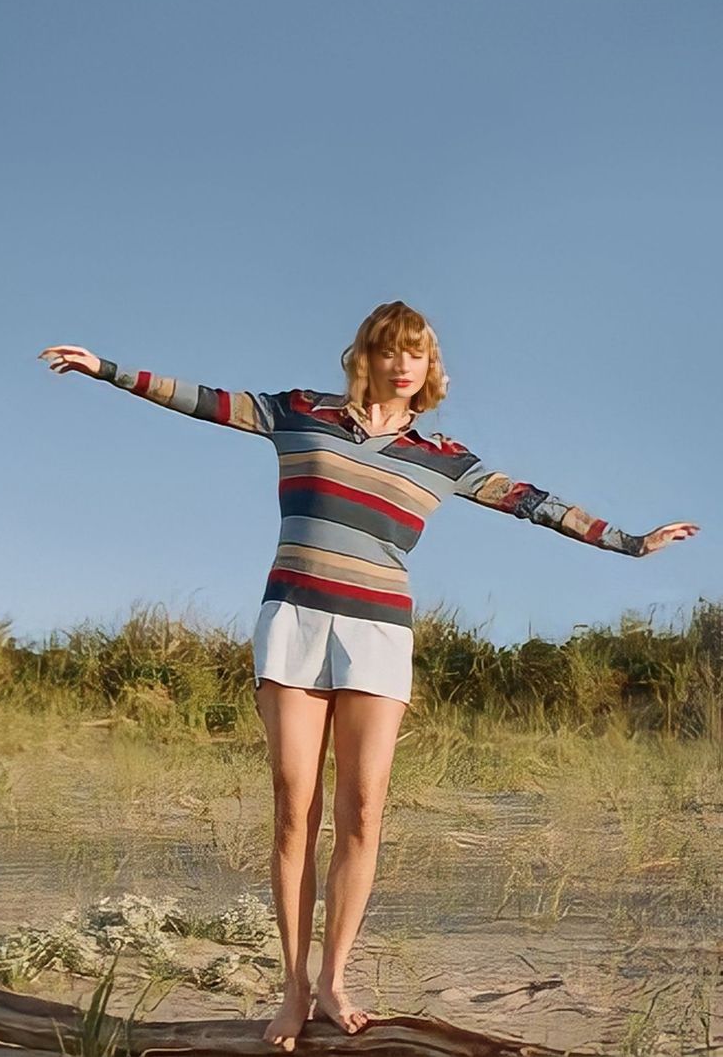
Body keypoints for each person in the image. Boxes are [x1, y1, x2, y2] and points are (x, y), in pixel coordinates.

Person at [38, 300, 699, 1051]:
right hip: (292, 621)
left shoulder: (445, 457)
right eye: (389, 348)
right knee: (295, 813)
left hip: (378, 635)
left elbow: (534, 503)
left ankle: (334, 981)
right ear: (366, 356)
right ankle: (291, 987)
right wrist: (108, 370)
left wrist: (631, 543)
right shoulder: (299, 414)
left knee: (362, 814)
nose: (402, 362)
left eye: (416, 351)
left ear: (430, 367)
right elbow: (204, 401)